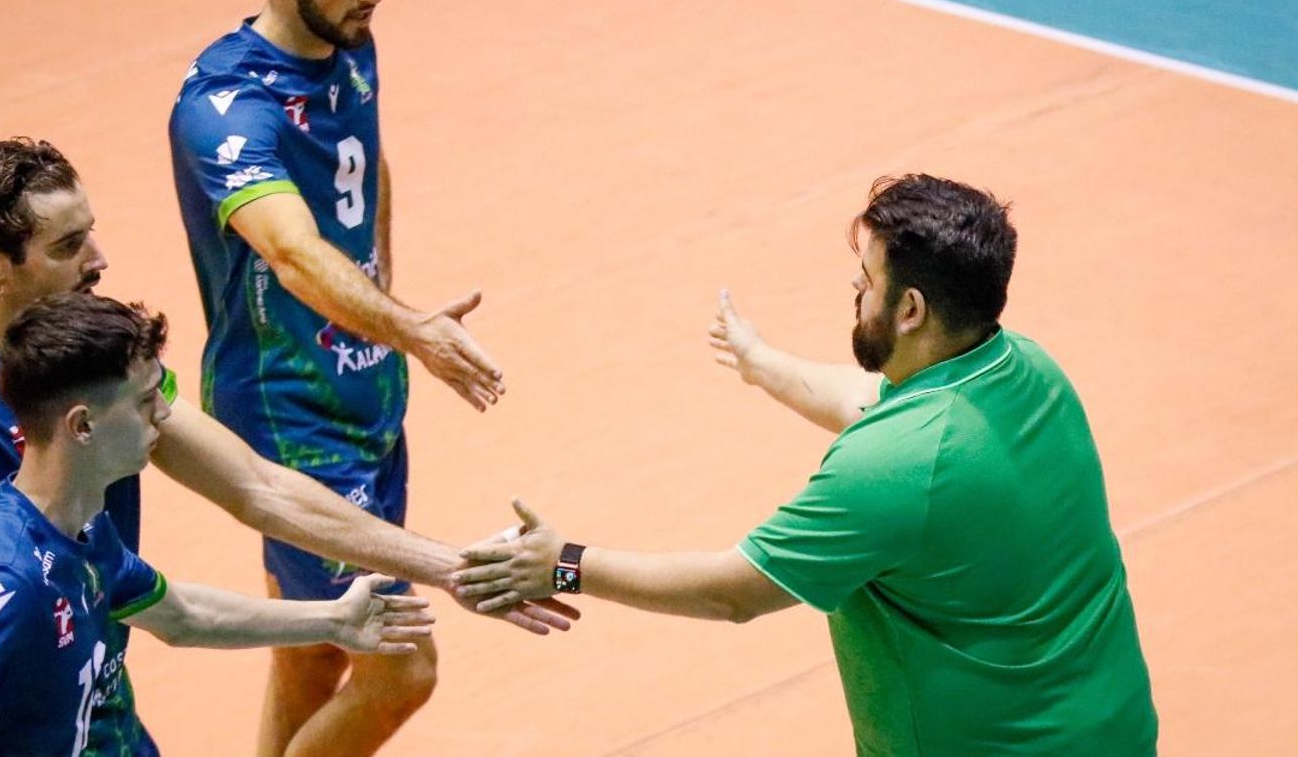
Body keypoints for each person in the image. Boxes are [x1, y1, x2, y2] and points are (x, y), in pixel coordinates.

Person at [0, 139, 574, 751]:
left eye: (89, 233)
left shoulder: (98, 358)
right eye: (66, 247)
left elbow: (254, 492)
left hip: (103, 712)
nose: (98, 260)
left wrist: (451, 568)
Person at [455, 175, 1159, 755]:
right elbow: (871, 399)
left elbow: (736, 592)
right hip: (1112, 727)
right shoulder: (1026, 368)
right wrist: (763, 365)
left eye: (867, 278)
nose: (855, 291)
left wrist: (566, 562)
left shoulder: (892, 471)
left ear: (909, 308)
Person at [168, 0, 506, 754]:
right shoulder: (226, 107)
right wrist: (411, 331)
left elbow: (369, 159)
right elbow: (290, 251)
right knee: (403, 663)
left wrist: (389, 303)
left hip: (366, 396)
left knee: (313, 650)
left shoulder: (350, 43)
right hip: (289, 413)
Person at [0, 294, 435, 755]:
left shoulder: (80, 531)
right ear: (83, 426)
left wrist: (336, 619)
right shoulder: (4, 579)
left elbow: (183, 616)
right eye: (146, 401)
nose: (165, 416)